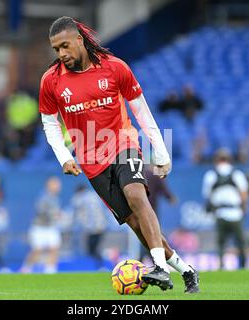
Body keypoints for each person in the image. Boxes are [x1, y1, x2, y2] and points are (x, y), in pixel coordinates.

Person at [39, 16, 199, 293]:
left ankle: (159, 268)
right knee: (136, 224)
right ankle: (185, 270)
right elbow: (50, 123)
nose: (61, 54)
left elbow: (141, 111)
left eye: (65, 46)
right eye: (56, 49)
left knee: (137, 195)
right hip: (90, 161)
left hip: (122, 143)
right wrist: (64, 156)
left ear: (79, 39)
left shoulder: (114, 68)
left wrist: (160, 151)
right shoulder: (51, 81)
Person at [202, 149, 249, 269]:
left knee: (221, 244)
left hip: (220, 213)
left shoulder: (211, 175)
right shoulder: (237, 174)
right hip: (236, 213)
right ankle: (243, 266)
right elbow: (244, 194)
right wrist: (244, 209)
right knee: (240, 243)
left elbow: (207, 196)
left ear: (216, 160)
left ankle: (221, 266)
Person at [21, 176, 64, 274]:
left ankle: (50, 270)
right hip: (39, 227)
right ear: (49, 185)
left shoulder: (55, 198)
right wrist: (55, 214)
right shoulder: (43, 197)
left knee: (54, 248)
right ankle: (26, 268)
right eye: (55, 184)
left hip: (51, 227)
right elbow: (41, 210)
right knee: (37, 251)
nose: (58, 186)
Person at [71, 184, 108, 270]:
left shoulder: (79, 198)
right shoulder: (94, 196)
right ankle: (99, 266)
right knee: (93, 249)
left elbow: (76, 211)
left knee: (91, 250)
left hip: (92, 228)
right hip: (101, 226)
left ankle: (101, 265)